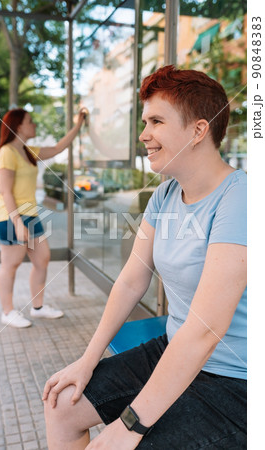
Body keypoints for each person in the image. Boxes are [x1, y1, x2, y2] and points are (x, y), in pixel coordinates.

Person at [43, 66, 247, 449]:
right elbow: (132, 280)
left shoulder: (242, 199)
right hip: (175, 351)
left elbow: (205, 329)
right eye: (144, 121)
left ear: (199, 130)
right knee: (62, 404)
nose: (143, 134)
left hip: (238, 380)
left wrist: (130, 426)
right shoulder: (165, 196)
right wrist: (87, 360)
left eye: (156, 121)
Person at [0, 107, 87, 328]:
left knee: (42, 258)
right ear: (18, 126)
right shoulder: (7, 152)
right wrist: (17, 223)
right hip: (10, 215)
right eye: (30, 121)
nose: (34, 124)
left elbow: (57, 148)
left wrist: (79, 124)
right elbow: (6, 191)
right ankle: (7, 312)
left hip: (30, 213)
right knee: (11, 264)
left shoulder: (28, 151)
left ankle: (38, 307)